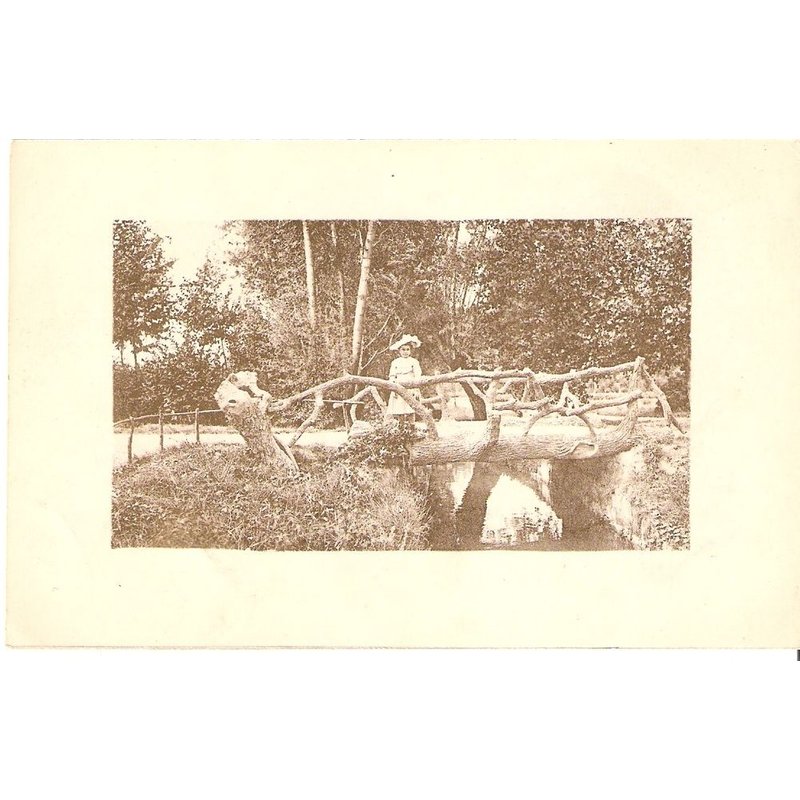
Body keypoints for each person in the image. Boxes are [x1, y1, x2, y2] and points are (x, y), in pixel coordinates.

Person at [387, 334, 422, 430]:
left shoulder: (414, 362)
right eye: (403, 349)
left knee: (410, 408)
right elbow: (392, 376)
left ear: (410, 351)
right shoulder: (395, 362)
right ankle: (401, 428)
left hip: (411, 386)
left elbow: (417, 376)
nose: (405, 352)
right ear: (399, 351)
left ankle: (412, 427)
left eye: (407, 349)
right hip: (398, 386)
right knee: (400, 409)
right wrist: (394, 389)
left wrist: (416, 389)